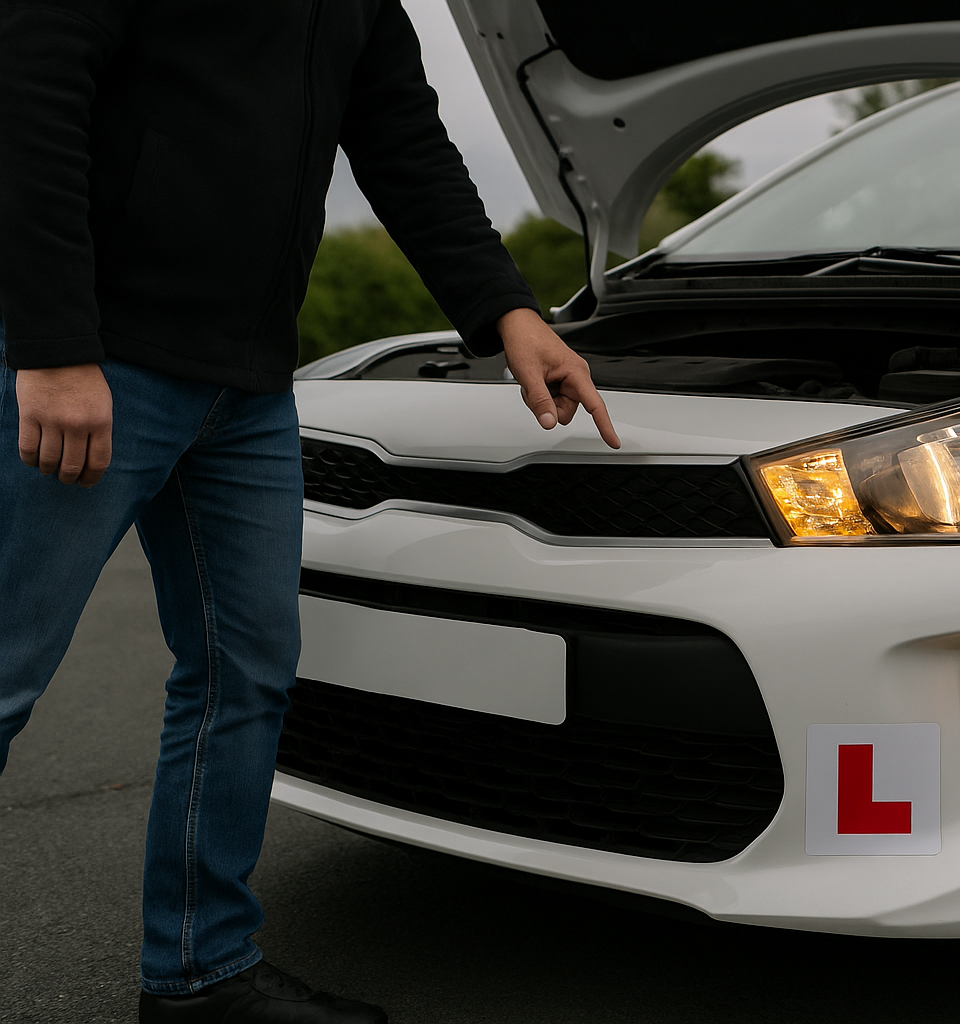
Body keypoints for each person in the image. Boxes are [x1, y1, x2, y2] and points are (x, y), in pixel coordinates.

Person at [0, 1, 620, 1021]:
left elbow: (404, 142)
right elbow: (28, 90)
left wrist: (510, 313)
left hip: (246, 387)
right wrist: (54, 342)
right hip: (99, 363)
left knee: (242, 674)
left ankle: (201, 973)